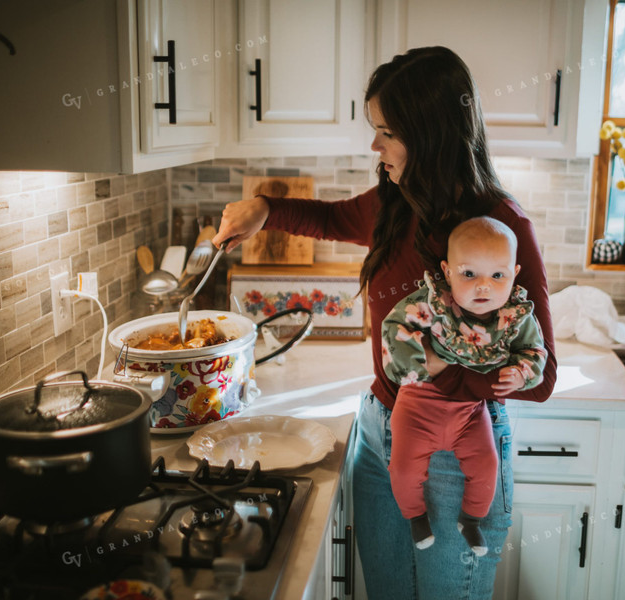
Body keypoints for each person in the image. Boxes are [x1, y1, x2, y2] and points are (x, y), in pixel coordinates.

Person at [213, 46, 556, 600]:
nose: (375, 146)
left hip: (458, 448)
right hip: (377, 436)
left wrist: (441, 371)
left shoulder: (501, 230)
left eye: (388, 132)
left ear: (432, 135)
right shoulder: (394, 201)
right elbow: (330, 218)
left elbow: (543, 376)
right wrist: (265, 209)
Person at [381, 216, 547, 557]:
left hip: (471, 411)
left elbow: (535, 352)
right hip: (419, 402)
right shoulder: (436, 303)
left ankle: (471, 520)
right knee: (403, 467)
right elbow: (395, 324)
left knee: (487, 465)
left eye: (497, 275)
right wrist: (415, 366)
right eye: (469, 274)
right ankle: (415, 516)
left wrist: (521, 373)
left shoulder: (515, 316)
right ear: (448, 271)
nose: (483, 286)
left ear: (514, 274)